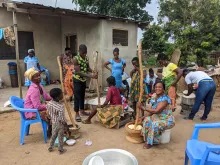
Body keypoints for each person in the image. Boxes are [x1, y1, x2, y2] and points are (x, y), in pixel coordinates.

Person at [138, 81, 175, 149]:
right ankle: (145, 138)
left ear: (163, 89)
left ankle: (150, 142)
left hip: (167, 119)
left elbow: (157, 110)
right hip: (157, 117)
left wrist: (143, 108)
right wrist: (143, 117)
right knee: (147, 120)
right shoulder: (154, 97)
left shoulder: (165, 99)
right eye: (156, 87)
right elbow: (152, 111)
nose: (157, 88)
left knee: (154, 124)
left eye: (160, 87)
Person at [24, 67, 52, 136]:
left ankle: (52, 130)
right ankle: (50, 132)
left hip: (36, 108)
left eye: (39, 75)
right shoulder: (33, 90)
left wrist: (55, 98)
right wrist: (49, 105)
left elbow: (46, 97)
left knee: (55, 109)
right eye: (36, 76)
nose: (39, 77)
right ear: (32, 79)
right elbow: (37, 106)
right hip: (32, 111)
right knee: (53, 112)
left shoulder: (40, 86)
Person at [73, 44, 98, 122]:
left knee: (82, 96)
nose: (85, 54)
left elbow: (87, 68)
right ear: (79, 51)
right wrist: (91, 76)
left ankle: (82, 111)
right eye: (83, 52)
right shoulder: (75, 59)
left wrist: (93, 71)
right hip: (77, 80)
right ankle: (77, 113)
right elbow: (78, 72)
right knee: (77, 96)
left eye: (85, 52)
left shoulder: (86, 58)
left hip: (83, 80)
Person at [47, 88, 67, 154]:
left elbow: (49, 113)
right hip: (60, 124)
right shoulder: (60, 106)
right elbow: (61, 119)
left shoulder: (49, 103)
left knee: (53, 135)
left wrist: (50, 119)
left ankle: (50, 147)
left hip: (53, 122)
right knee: (60, 137)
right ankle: (60, 149)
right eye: (61, 94)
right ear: (57, 97)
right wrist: (65, 125)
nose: (63, 95)